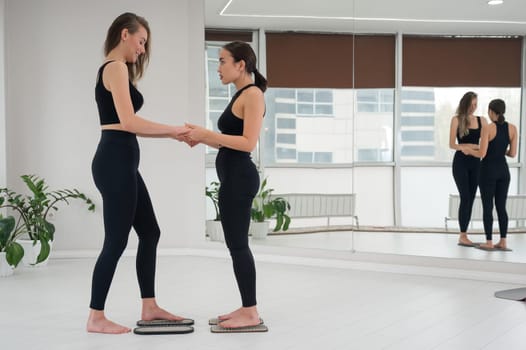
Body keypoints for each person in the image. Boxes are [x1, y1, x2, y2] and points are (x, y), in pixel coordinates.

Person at [87, 12, 192, 334]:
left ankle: (149, 306)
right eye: (141, 41)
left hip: (123, 161)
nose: (143, 49)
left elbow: (127, 123)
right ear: (124, 34)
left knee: (150, 233)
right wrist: (174, 131)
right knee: (116, 241)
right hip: (115, 160)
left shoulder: (118, 70)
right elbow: (129, 122)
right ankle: (96, 317)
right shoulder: (115, 67)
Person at [186, 41, 266, 329]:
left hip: (240, 178)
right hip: (232, 177)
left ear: (240, 64)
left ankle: (251, 312)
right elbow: (229, 140)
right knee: (235, 245)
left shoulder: (253, 94)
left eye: (222, 61)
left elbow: (247, 143)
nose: (217, 67)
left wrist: (209, 134)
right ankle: (246, 307)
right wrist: (201, 137)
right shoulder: (241, 95)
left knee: (239, 246)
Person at [466, 99, 517, 250]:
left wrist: (469, 151)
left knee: (488, 207)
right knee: (501, 207)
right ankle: (503, 241)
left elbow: (482, 153)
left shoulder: (488, 128)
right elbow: (513, 153)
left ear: (490, 111)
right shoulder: (513, 128)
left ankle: (489, 242)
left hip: (488, 171)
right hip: (504, 171)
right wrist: (500, 151)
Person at [449, 91, 487, 247]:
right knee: (465, 196)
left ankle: (464, 235)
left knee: (470, 198)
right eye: (471, 104)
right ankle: (462, 235)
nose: (474, 107)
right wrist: (466, 146)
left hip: (476, 163)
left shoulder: (482, 120)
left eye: (476, 104)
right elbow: (452, 144)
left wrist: (472, 147)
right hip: (460, 163)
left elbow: (485, 144)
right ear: (464, 103)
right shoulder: (456, 119)